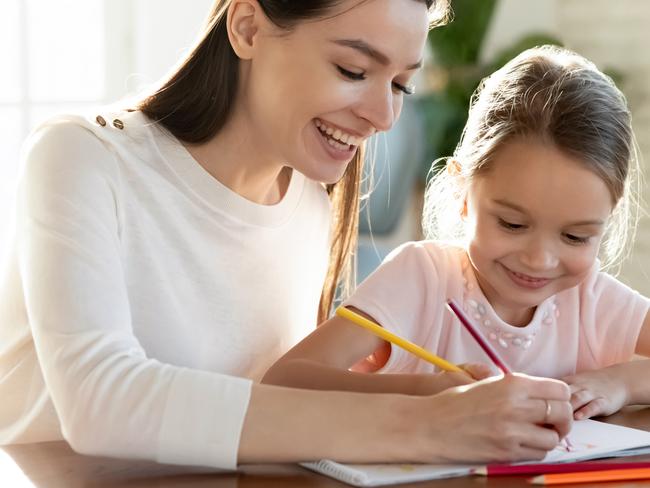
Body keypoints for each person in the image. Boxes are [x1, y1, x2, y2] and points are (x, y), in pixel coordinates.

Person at [0, 0, 572, 469]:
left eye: (400, 84)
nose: (383, 115)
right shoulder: (81, 157)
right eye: (354, 71)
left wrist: (433, 394)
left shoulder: (308, 203)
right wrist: (426, 424)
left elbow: (266, 406)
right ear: (248, 27)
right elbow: (104, 401)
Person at [265, 45, 650, 426]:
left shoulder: (590, 301)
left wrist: (620, 382)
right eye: (513, 225)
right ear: (461, 192)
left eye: (576, 237)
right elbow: (284, 381)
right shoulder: (422, 279)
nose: (540, 259)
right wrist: (429, 394)